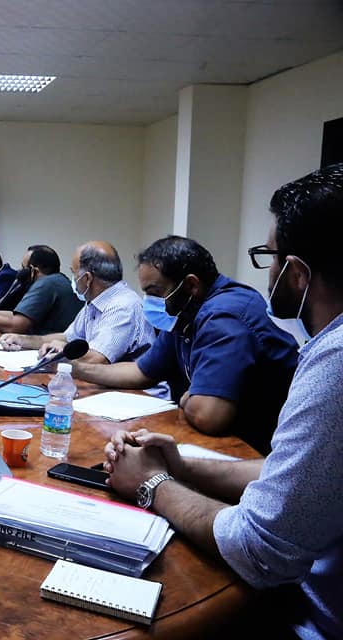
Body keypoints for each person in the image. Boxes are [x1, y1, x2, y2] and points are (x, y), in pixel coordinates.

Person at [103, 164, 343, 640]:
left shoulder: (334, 359)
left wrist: (152, 484)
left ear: (297, 272)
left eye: (269, 256)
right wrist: (181, 464)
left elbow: (261, 552)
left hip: (303, 617)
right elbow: (297, 474)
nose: (267, 271)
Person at [73, 235, 298, 454]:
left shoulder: (224, 316)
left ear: (191, 285)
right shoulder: (184, 314)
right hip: (219, 441)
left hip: (260, 452)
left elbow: (208, 415)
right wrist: (74, 369)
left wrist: (188, 398)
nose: (149, 301)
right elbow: (141, 371)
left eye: (155, 292)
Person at [0, 241, 154, 365]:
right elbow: (67, 337)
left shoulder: (123, 306)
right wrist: (22, 339)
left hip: (134, 392)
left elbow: (97, 359)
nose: (72, 279)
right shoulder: (94, 302)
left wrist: (62, 350)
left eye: (73, 273)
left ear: (87, 279)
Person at [0, 244, 82, 335]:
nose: (20, 271)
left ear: (33, 271)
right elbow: (16, 315)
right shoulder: (58, 280)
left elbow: (14, 326)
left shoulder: (45, 284)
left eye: (24, 268)